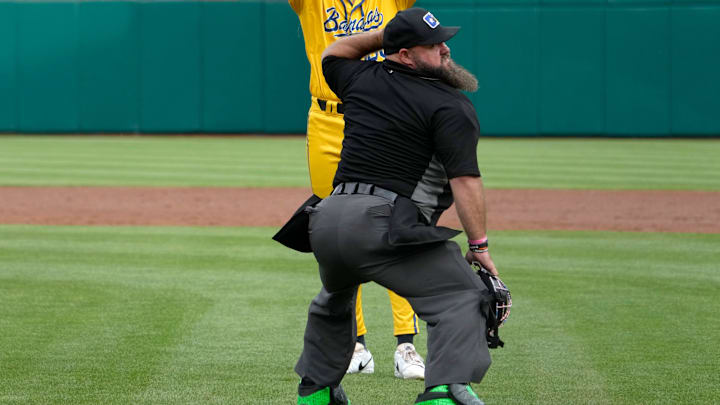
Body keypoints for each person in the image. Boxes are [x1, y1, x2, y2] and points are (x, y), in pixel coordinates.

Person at [289, 7, 500, 404]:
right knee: (464, 296)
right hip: (380, 223)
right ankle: (444, 393)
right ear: (404, 54)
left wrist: (379, 38)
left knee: (334, 300)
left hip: (325, 221)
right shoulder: (449, 106)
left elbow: (333, 53)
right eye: (432, 45)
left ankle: (315, 393)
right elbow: (466, 181)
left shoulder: (360, 79)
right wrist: (480, 247)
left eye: (444, 42)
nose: (445, 51)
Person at [288, 0, 425, 380]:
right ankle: (354, 343)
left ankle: (406, 344)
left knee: (396, 223)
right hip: (327, 119)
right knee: (336, 231)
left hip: (385, 113)